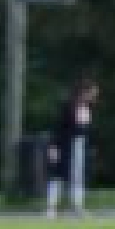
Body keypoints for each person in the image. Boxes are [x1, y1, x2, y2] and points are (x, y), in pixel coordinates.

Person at [44, 79, 99, 219]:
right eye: (92, 93)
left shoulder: (88, 109)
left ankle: (77, 207)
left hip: (80, 146)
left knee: (78, 178)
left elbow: (86, 130)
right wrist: (54, 146)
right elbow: (58, 128)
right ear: (83, 92)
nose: (94, 97)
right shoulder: (68, 107)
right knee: (57, 176)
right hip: (65, 145)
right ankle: (51, 208)